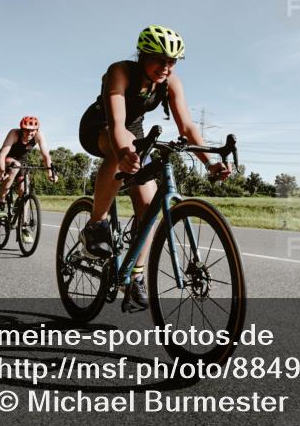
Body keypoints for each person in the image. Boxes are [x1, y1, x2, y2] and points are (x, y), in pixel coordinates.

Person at [77, 25, 231, 311]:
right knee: (119, 153)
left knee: (148, 206)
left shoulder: (171, 82)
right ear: (142, 55)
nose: (166, 67)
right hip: (102, 125)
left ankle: (135, 276)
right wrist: (125, 152)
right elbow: (118, 125)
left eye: (172, 62)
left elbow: (186, 126)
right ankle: (95, 225)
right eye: (159, 59)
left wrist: (210, 163)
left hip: (134, 132)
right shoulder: (120, 71)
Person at [0, 116, 57, 220]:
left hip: (21, 162)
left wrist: (50, 173)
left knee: (24, 189)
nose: (29, 133)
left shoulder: (38, 135)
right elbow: (3, 154)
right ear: (21, 129)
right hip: (5, 159)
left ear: (37, 130)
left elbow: (45, 156)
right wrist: (1, 171)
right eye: (26, 130)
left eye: (32, 131)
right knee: (15, 166)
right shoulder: (14, 133)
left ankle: (24, 226)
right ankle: (0, 202)